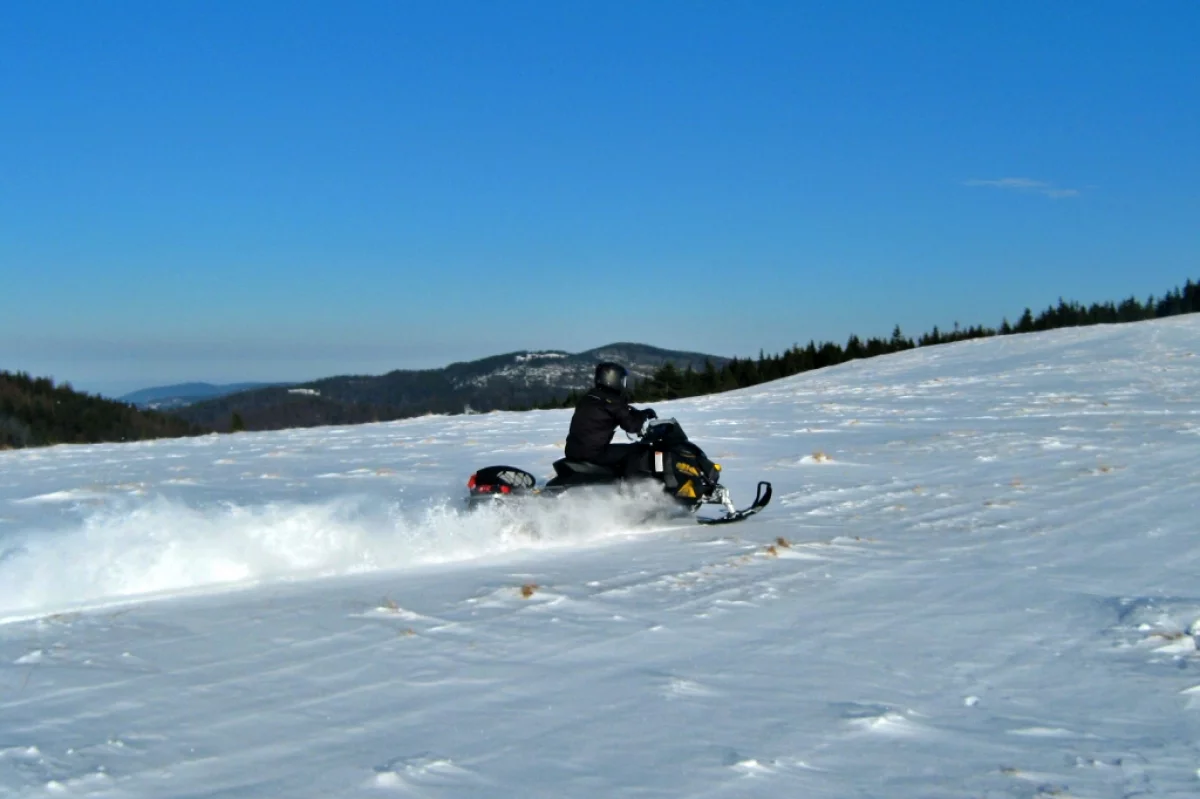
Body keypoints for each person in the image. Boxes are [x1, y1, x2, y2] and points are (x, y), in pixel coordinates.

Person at [563, 362, 657, 472]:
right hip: (593, 453)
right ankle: (633, 484)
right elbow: (632, 426)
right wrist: (644, 415)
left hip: (573, 451)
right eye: (621, 380)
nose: (623, 384)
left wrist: (637, 413)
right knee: (638, 450)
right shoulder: (613, 401)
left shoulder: (590, 396)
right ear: (612, 378)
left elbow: (617, 413)